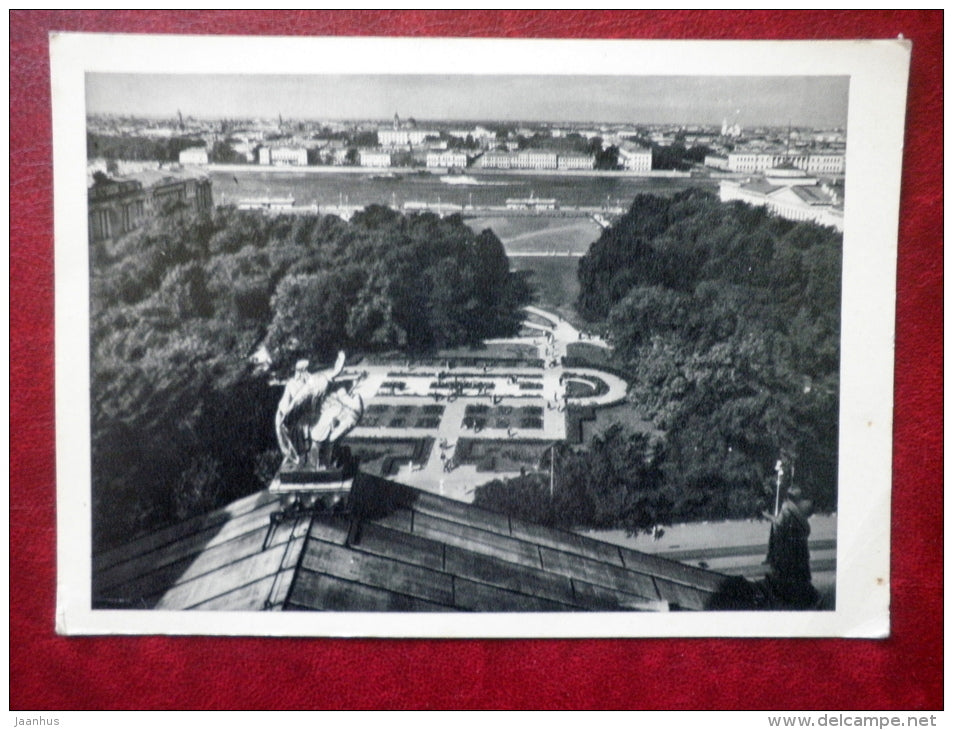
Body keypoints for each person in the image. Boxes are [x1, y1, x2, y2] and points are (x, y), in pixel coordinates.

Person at [276, 351, 346, 464]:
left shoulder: (314, 379)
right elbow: (287, 402)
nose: (309, 371)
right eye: (307, 369)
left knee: (333, 419)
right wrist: (285, 412)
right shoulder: (292, 384)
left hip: (314, 412)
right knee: (300, 428)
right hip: (298, 417)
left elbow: (335, 372)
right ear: (301, 371)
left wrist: (341, 359)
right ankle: (305, 456)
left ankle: (325, 455)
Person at [763, 489, 817, 608]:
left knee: (790, 575)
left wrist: (768, 516)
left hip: (791, 549)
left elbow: (779, 523)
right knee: (801, 575)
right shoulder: (799, 511)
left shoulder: (787, 509)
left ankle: (793, 598)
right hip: (800, 548)